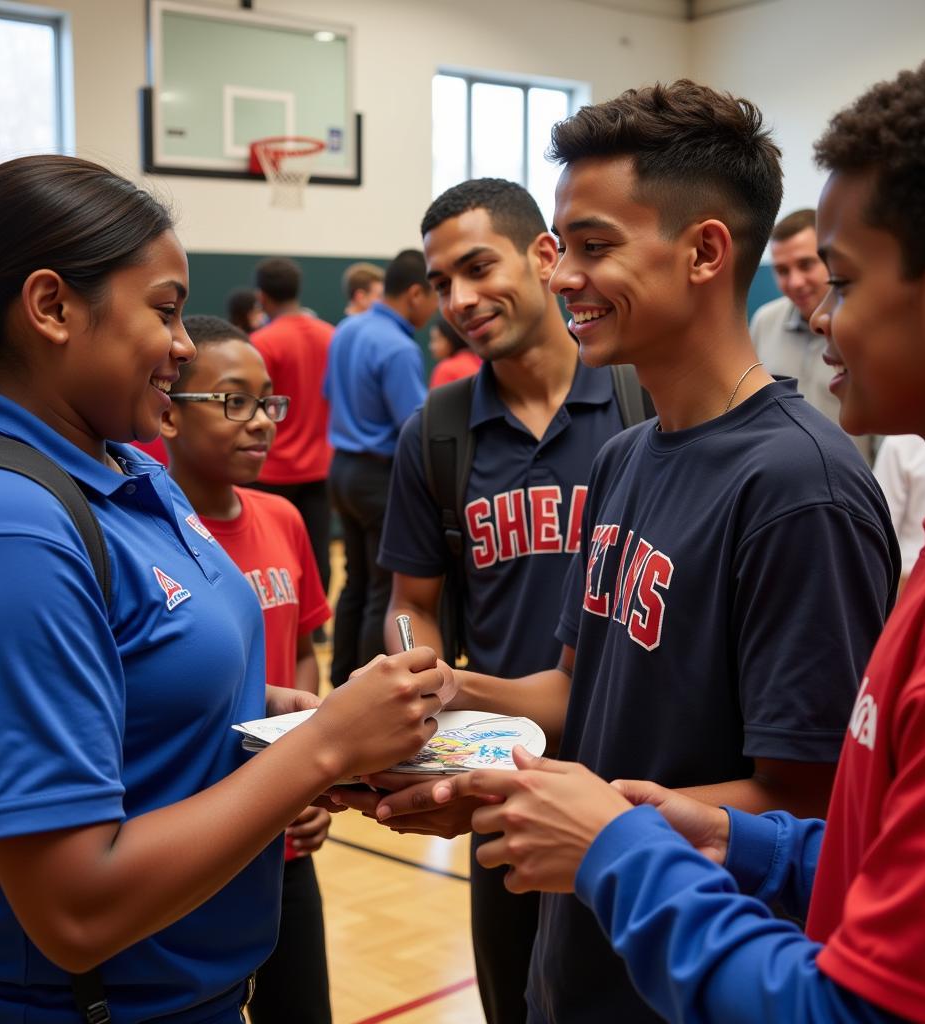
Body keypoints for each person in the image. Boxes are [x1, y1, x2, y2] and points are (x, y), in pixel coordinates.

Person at [336, 80, 898, 1023]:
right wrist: (454, 713)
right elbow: (574, 697)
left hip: (702, 973)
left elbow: (811, 807)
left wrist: (589, 828)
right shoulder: (627, 457)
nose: (562, 278)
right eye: (562, 250)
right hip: (584, 949)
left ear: (705, 252)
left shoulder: (802, 487)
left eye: (594, 248)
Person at [0, 154, 450, 1024]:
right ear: (52, 306)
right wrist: (317, 752)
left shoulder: (128, 467)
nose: (180, 342)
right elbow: (73, 908)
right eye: (163, 310)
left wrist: (297, 716)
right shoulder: (1, 530)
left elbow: (147, 684)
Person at [376, 177, 632, 1024]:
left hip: (640, 774)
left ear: (546, 255)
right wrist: (418, 662)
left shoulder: (640, 403)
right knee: (519, 1001)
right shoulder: (438, 432)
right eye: (442, 281)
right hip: (504, 780)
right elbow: (412, 596)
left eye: (479, 267)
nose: (459, 298)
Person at [162, 314, 334, 1024]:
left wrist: (311, 764)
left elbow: (300, 650)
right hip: (193, 842)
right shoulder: (150, 534)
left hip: (285, 847)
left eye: (269, 401)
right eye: (235, 401)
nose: (263, 421)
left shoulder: (284, 520)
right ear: (168, 409)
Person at [324, 249, 438, 686]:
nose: (436, 309)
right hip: (378, 477)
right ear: (415, 294)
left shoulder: (346, 328)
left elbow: (328, 392)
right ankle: (368, 691)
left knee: (354, 582)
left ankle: (340, 680)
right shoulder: (399, 347)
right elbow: (415, 425)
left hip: (343, 470)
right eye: (435, 294)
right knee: (381, 591)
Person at [750, 208, 875, 463]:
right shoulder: (764, 322)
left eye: (806, 265)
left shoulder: (864, 326)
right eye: (783, 270)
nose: (795, 282)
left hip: (858, 490)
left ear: (831, 260)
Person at [249, 258, 336, 598]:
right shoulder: (331, 336)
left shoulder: (261, 343)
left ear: (262, 296)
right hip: (320, 465)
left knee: (269, 554)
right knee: (318, 551)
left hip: (271, 468)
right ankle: (315, 632)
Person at [873, 434, 925, 594]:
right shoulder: (901, 444)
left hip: (910, 582)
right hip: (908, 578)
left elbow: (881, 532)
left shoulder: (900, 443)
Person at [427, 314, 481, 388]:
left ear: (450, 337)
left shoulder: (445, 369)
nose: (431, 347)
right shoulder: (477, 361)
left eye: (437, 340)